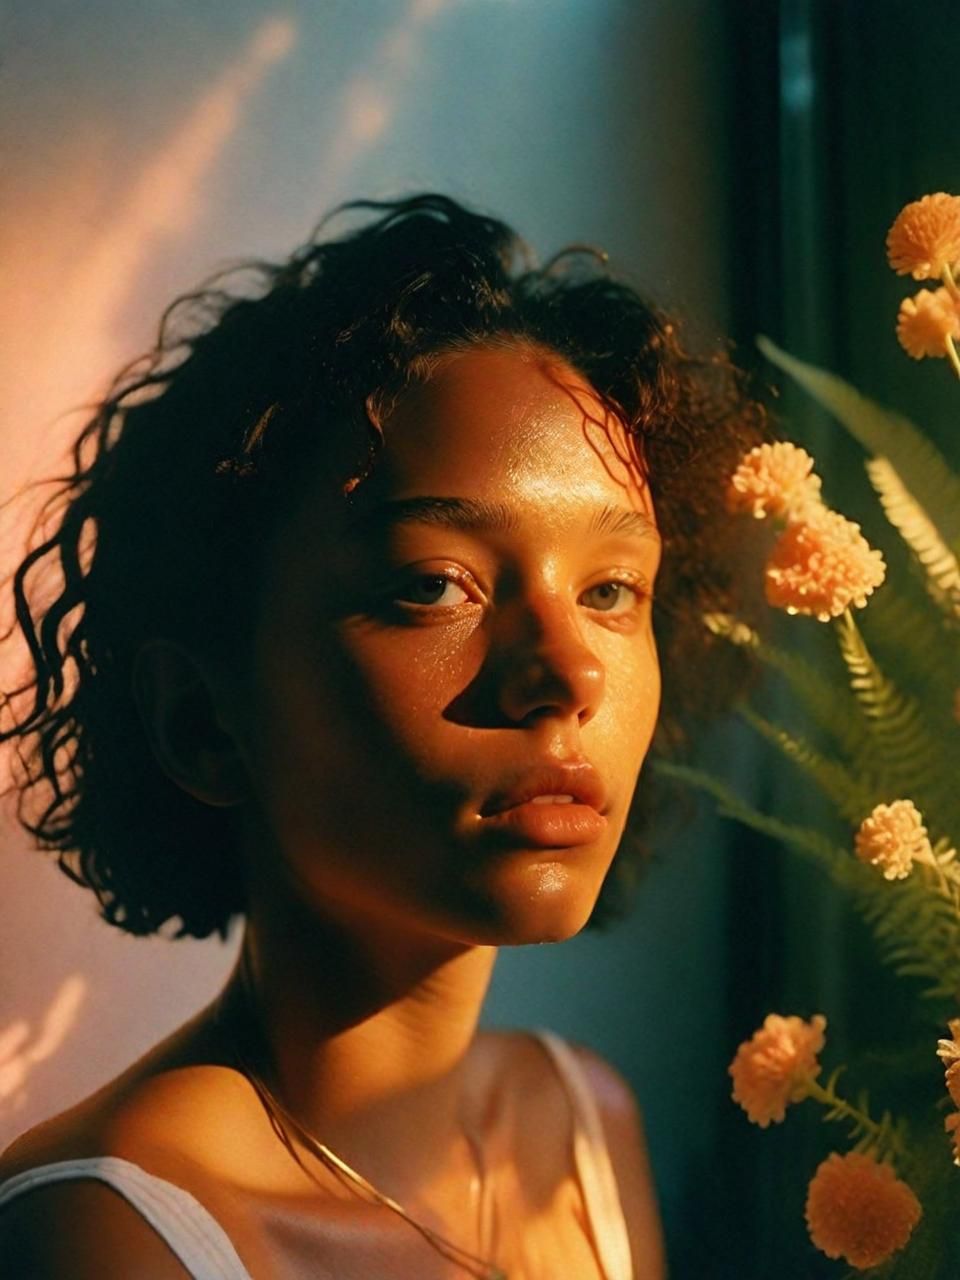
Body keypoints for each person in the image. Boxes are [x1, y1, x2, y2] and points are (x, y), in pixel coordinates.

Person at [0, 194, 764, 1278]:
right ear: (201, 719)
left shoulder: (584, 1126)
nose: (570, 670)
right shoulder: (108, 1236)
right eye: (432, 584)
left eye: (611, 587)